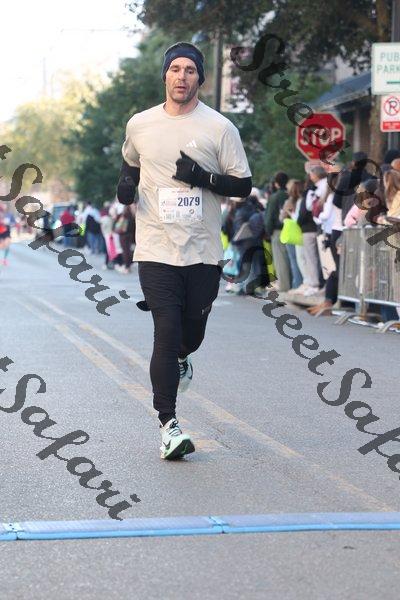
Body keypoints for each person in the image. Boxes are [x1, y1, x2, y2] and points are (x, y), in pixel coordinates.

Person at [117, 41, 252, 459]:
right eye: (175, 69)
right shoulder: (140, 123)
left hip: (203, 249)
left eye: (190, 70)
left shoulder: (219, 127)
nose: (182, 76)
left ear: (200, 78)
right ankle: (169, 426)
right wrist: (125, 186)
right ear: (165, 75)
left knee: (191, 333)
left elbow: (243, 184)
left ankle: (183, 358)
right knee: (167, 329)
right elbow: (130, 163)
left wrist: (202, 177)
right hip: (155, 247)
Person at [264, 171, 291, 291]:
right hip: (291, 229)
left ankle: (283, 285)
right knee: (290, 259)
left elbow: (269, 217)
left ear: (276, 183)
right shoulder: (290, 194)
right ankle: (291, 283)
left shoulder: (274, 197)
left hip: (278, 231)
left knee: (280, 260)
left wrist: (268, 231)